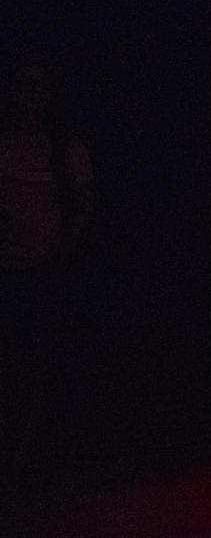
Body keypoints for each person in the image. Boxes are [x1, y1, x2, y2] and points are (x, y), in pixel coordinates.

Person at [0, 59, 94, 487]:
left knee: (34, 364)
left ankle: (19, 457)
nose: (31, 94)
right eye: (24, 84)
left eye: (39, 85)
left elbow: (83, 199)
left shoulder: (61, 146)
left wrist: (62, 246)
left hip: (43, 270)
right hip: (8, 267)